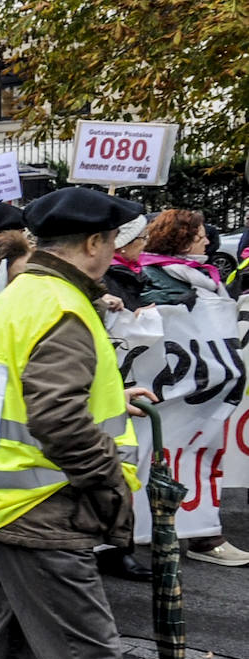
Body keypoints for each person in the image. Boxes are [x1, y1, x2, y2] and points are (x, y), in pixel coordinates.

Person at [0, 188, 149, 659]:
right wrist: (110, 482)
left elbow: (32, 396)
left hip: (9, 503)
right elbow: (56, 417)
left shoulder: (21, 295)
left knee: (3, 655)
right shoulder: (63, 305)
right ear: (93, 241)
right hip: (45, 507)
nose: (114, 252)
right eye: (112, 241)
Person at [140, 208, 249, 566]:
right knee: (166, 459)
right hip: (173, 393)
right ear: (179, 237)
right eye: (199, 232)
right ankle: (190, 534)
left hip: (201, 392)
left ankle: (202, 533)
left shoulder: (205, 275)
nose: (206, 238)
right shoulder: (154, 274)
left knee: (200, 457)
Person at [104, 215, 149, 310]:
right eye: (143, 238)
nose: (145, 244)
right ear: (125, 243)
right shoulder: (107, 276)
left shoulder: (131, 271)